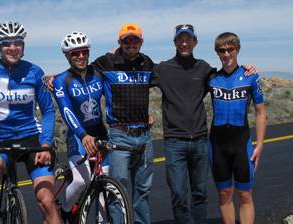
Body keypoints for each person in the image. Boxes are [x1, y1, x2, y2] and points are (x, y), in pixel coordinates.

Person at [150, 24, 257, 224]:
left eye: (188, 39)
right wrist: (143, 115)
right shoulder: (162, 69)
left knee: (200, 193)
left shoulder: (205, 69)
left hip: (200, 140)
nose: (184, 43)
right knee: (179, 194)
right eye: (180, 39)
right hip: (175, 142)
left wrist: (246, 68)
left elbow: (228, 78)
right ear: (175, 42)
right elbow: (137, 85)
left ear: (195, 42)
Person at [0, 21, 60, 224]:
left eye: (17, 43)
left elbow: (47, 111)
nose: (12, 47)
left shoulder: (34, 71)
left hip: (33, 139)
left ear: (23, 46)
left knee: (46, 201)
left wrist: (45, 144)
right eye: (6, 43)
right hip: (2, 140)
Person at [91, 23, 156, 224]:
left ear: (141, 42)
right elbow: (79, 72)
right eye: (126, 40)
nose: (131, 44)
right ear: (119, 42)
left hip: (144, 135)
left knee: (143, 191)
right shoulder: (106, 62)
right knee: (117, 190)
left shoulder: (147, 63)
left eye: (134, 40)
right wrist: (55, 79)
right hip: (119, 135)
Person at [208, 32, 266, 224]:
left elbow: (260, 113)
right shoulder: (212, 78)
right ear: (217, 53)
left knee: (244, 194)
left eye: (230, 49)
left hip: (241, 143)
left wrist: (259, 146)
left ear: (237, 49)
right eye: (221, 50)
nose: (226, 54)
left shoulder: (251, 76)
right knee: (224, 194)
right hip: (217, 145)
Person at [52, 31, 109, 221]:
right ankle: (65, 211)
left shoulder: (98, 74)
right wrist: (83, 134)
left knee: (104, 187)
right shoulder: (62, 80)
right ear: (67, 56)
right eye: (75, 53)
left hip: (100, 132)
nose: (81, 56)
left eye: (84, 52)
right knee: (80, 180)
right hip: (78, 135)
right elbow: (66, 110)